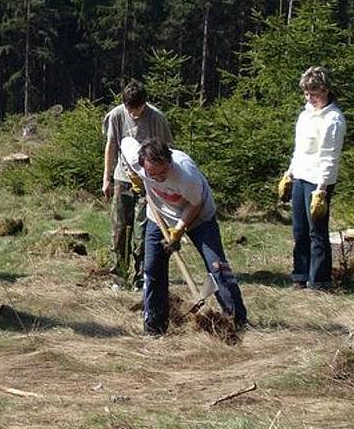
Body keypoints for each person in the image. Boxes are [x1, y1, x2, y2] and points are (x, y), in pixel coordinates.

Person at [122, 137, 247, 336]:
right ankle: (154, 327)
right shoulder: (138, 162)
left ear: (169, 161)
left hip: (199, 217)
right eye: (152, 175)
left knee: (217, 266)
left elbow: (194, 205)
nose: (158, 179)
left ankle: (236, 322)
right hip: (159, 216)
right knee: (152, 268)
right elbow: (125, 141)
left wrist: (178, 230)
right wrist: (133, 175)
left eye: (163, 173)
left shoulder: (185, 175)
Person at [278, 66, 346, 290]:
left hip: (319, 181)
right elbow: (300, 150)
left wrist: (322, 189)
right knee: (299, 230)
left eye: (314, 93)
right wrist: (289, 173)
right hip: (300, 177)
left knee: (317, 232)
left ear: (325, 90)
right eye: (307, 93)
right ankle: (300, 277)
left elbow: (329, 157)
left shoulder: (334, 119)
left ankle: (319, 282)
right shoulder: (305, 115)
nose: (310, 98)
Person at [102, 79, 173, 290]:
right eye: (130, 109)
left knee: (143, 232)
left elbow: (166, 150)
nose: (134, 114)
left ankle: (141, 277)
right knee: (120, 230)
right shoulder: (115, 115)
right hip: (122, 180)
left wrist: (163, 183)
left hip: (148, 183)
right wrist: (106, 178)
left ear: (145, 103)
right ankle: (119, 277)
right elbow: (111, 145)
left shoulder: (157, 118)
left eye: (138, 109)